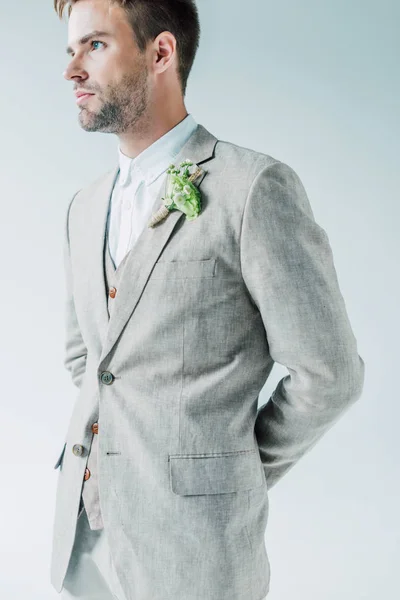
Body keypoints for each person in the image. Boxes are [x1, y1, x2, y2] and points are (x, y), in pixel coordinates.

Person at [50, 1, 365, 599]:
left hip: (197, 552)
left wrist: (226, 471)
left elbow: (331, 374)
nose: (71, 70)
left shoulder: (252, 189)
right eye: (70, 51)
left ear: (161, 52)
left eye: (93, 46)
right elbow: (88, 360)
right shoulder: (83, 207)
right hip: (85, 538)